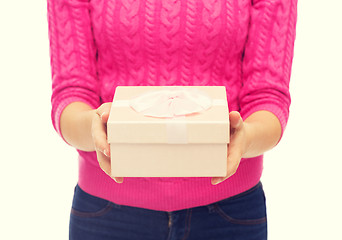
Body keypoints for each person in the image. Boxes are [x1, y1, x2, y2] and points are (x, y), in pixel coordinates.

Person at [47, 0, 297, 239]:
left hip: (230, 213)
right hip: (106, 215)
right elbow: (71, 94)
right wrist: (93, 128)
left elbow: (268, 96)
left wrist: (247, 137)